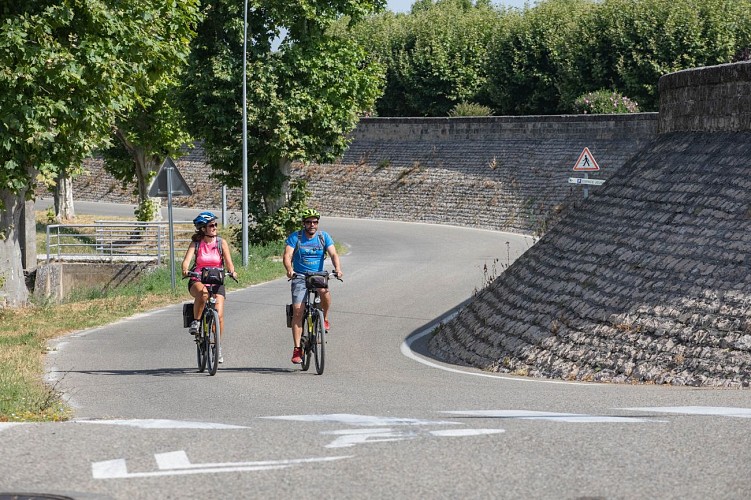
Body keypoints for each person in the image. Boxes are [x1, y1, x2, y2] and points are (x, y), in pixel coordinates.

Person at [282, 208, 343, 364]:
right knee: (298, 311)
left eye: (314, 222)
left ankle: (325, 318)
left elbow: (333, 254)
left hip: (318, 275)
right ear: (304, 223)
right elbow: (287, 255)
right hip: (300, 276)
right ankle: (297, 349)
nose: (312, 225)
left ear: (317, 223)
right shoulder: (296, 237)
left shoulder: (324, 237)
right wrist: (289, 269)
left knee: (324, 291)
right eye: (308, 222)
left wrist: (338, 269)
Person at [181, 211, 237, 364]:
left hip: (216, 280)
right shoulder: (196, 244)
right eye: (211, 225)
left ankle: (217, 347)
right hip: (198, 279)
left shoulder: (221, 243)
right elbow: (186, 261)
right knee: (204, 295)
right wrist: (185, 269)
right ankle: (197, 322)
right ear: (203, 228)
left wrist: (232, 271)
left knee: (218, 315)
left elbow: (229, 261)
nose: (214, 228)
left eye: (215, 225)